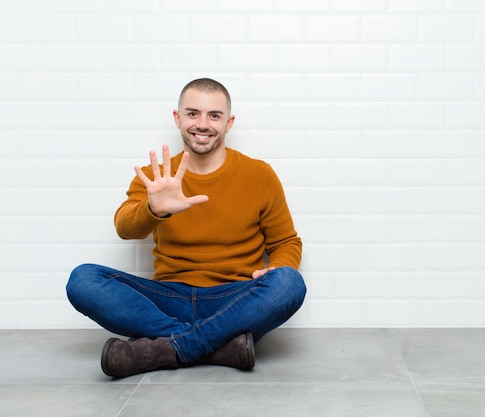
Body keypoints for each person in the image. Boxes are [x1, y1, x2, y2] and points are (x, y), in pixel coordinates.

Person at [66, 78, 306, 378]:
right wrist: (154, 209)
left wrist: (277, 267)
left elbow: (286, 242)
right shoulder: (157, 177)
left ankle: (167, 348)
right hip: (168, 299)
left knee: (289, 283)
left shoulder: (259, 175)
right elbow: (124, 228)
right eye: (193, 113)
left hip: (233, 300)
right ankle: (216, 347)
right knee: (83, 280)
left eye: (214, 115)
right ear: (178, 118)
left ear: (228, 122)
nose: (203, 124)